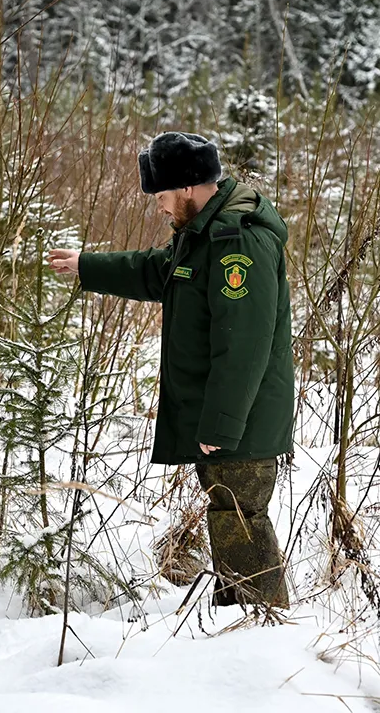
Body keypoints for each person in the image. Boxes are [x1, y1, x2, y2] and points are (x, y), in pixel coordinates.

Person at [48, 132, 292, 608]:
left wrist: (221, 421)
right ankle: (242, 623)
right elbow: (160, 272)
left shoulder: (236, 238)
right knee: (230, 512)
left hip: (242, 417)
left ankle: (260, 629)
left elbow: (243, 342)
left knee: (238, 515)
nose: (159, 207)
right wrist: (87, 266)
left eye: (161, 196)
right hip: (232, 415)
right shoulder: (204, 234)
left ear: (185, 188)